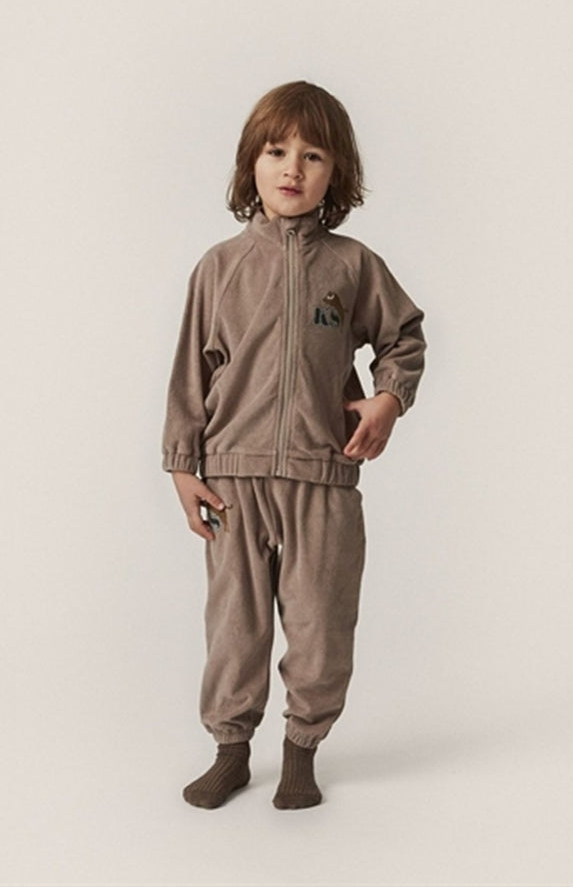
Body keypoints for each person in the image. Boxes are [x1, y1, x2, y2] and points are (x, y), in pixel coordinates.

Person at [162, 80, 426, 810]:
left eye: (313, 156)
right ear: (251, 162)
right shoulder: (219, 268)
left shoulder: (352, 265)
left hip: (323, 479)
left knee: (321, 627)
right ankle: (230, 752)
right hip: (233, 480)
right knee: (235, 629)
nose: (292, 168)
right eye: (277, 151)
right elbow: (190, 375)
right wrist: (182, 465)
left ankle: (301, 753)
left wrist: (388, 399)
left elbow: (404, 337)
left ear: (335, 173)